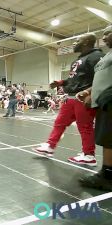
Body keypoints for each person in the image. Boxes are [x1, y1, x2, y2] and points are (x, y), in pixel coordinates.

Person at [34, 33, 104, 166]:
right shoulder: (80, 58)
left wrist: (91, 93)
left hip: (83, 98)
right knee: (59, 122)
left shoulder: (96, 56)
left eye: (77, 40)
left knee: (85, 126)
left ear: (87, 41)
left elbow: (102, 77)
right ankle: (49, 147)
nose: (73, 43)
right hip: (71, 98)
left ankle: (89, 156)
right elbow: (74, 80)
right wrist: (60, 82)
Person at [77, 25, 112, 191]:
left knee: (109, 139)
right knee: (106, 138)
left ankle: (108, 176)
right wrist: (88, 91)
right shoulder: (107, 56)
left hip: (110, 100)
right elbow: (102, 78)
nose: (104, 37)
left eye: (108, 33)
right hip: (103, 101)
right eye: (103, 34)